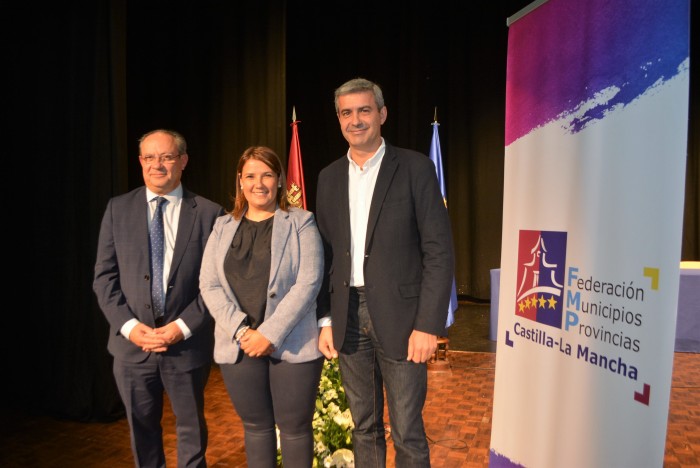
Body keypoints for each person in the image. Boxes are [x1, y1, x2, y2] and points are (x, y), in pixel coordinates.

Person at [315, 77, 456, 467]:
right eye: (346, 113)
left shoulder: (415, 168)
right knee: (364, 427)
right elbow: (325, 257)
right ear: (338, 119)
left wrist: (429, 324)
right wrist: (325, 319)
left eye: (364, 110)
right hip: (347, 318)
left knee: (408, 430)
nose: (355, 120)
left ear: (382, 114)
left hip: (404, 320)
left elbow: (438, 252)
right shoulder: (327, 178)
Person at [93, 129, 225, 468]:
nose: (157, 165)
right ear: (140, 162)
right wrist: (130, 327)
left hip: (185, 345)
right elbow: (104, 279)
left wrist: (182, 327)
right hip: (132, 347)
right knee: (142, 431)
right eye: (149, 158)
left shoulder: (210, 214)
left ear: (182, 161)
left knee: (191, 430)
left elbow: (217, 285)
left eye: (166, 157)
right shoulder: (117, 209)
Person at [199, 146, 325, 467]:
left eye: (267, 174)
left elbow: (308, 282)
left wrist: (269, 333)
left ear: (280, 180)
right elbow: (209, 285)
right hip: (239, 345)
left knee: (295, 429)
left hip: (292, 343)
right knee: (255, 428)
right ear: (240, 181)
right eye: (251, 176)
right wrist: (243, 332)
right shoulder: (222, 227)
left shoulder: (301, 222)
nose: (259, 183)